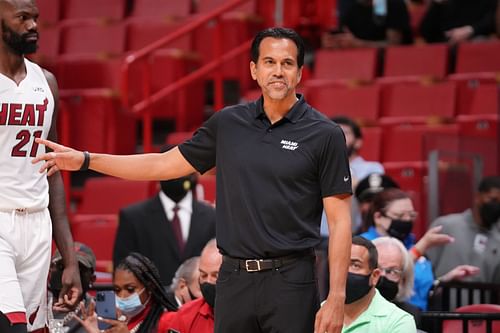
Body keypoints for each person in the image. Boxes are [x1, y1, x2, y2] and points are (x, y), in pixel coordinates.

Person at [33, 27, 353, 333]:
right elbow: (161, 164)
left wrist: (336, 297)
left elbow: (339, 223)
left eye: (287, 63)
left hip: (291, 280)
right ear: (254, 70)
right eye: (269, 62)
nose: (278, 71)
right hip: (232, 279)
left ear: (299, 73)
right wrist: (86, 160)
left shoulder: (324, 135)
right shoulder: (229, 123)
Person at [0, 1, 81, 332]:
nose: (33, 25)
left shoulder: (46, 82)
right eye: (22, 18)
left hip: (36, 224)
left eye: (35, 18)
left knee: (35, 329)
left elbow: (53, 167)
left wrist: (70, 259)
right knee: (12, 325)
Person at [113, 172, 216, 286]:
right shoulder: (133, 217)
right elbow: (122, 269)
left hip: (200, 299)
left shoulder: (212, 216)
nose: (176, 175)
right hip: (153, 299)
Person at [360, 188, 454, 310]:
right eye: (400, 215)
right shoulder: (365, 245)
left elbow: (418, 287)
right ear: (378, 217)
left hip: (421, 318)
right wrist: (421, 247)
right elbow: (386, 280)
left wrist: (444, 280)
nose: (407, 220)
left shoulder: (411, 244)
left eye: (411, 215)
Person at [75, 252, 178, 333]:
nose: (122, 296)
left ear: (149, 287)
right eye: (117, 290)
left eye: (130, 289)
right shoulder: (118, 322)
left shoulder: (168, 320)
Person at [426, 176, 500, 282]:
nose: (496, 206)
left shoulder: (497, 240)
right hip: (442, 297)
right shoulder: (446, 226)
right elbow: (423, 268)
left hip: (482, 298)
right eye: (493, 200)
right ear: (478, 197)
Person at [340, 236, 416, 333]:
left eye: (392, 271)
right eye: (378, 266)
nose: (382, 277)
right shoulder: (320, 309)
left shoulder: (400, 321)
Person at [167, 239, 221, 333]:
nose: (208, 281)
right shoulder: (185, 315)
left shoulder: (250, 313)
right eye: (203, 275)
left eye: (215, 275)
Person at [48, 242, 97, 333]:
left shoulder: (97, 313)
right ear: (50, 270)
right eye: (62, 267)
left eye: (80, 270)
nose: (70, 277)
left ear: (92, 279)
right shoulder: (34, 306)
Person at [322, 0, 413, 48]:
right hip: (359, 66)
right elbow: (345, 37)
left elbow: (394, 46)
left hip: (391, 66)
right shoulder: (351, 9)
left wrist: (359, 45)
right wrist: (335, 42)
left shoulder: (393, 4)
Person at [420, 0, 497, 43]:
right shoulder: (442, 5)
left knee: (480, 41)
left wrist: (470, 30)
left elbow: (492, 21)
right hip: (446, 44)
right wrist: (436, 4)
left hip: (475, 39)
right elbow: (426, 33)